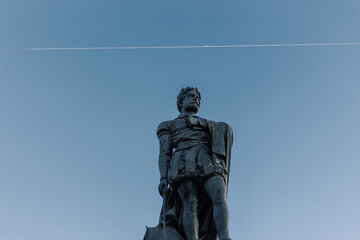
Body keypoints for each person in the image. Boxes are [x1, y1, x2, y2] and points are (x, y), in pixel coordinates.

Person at [157, 86, 233, 240]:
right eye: (190, 96)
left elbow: (224, 131)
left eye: (197, 98)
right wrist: (163, 178)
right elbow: (164, 153)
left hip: (207, 161)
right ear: (181, 101)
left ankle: (225, 237)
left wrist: (210, 126)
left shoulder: (208, 124)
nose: (195, 99)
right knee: (190, 203)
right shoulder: (167, 125)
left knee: (219, 193)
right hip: (183, 161)